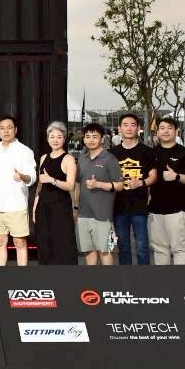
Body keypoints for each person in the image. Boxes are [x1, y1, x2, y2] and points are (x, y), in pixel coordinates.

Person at [0, 114, 37, 267]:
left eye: (9, 128)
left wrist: (23, 177)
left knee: (19, 242)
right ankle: (1, 274)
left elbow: (32, 177)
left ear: (16, 130)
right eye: (2, 128)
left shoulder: (24, 151)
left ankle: (22, 275)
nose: (5, 131)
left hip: (16, 203)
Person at [148, 116, 185, 265]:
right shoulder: (151, 153)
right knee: (159, 249)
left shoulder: (184, 153)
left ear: (177, 131)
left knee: (179, 249)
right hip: (156, 210)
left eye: (169, 128)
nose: (165, 131)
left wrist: (176, 176)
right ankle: (163, 279)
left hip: (178, 210)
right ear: (157, 132)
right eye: (162, 128)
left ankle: (179, 279)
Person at [110, 114, 157, 265]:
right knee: (123, 248)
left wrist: (141, 183)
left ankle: (144, 277)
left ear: (139, 128)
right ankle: (127, 277)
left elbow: (153, 176)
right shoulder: (112, 153)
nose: (129, 128)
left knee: (142, 247)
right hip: (118, 207)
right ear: (119, 128)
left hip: (140, 207)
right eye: (125, 125)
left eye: (133, 125)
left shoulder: (147, 151)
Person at [74, 122, 123, 266]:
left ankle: (108, 280)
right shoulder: (82, 159)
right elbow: (77, 184)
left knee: (106, 251)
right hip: (84, 215)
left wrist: (99, 185)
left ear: (102, 139)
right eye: (87, 136)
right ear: (84, 139)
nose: (91, 140)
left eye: (95, 136)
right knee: (88, 251)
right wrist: (75, 208)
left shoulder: (110, 159)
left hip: (105, 217)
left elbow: (120, 185)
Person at [32, 121, 77, 265]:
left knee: (62, 243)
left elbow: (70, 185)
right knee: (44, 244)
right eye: (52, 137)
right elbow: (40, 185)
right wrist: (34, 207)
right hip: (43, 207)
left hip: (60, 207)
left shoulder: (69, 159)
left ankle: (64, 276)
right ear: (47, 139)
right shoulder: (43, 158)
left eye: (59, 137)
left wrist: (52, 180)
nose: (55, 140)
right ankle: (46, 276)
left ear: (64, 139)